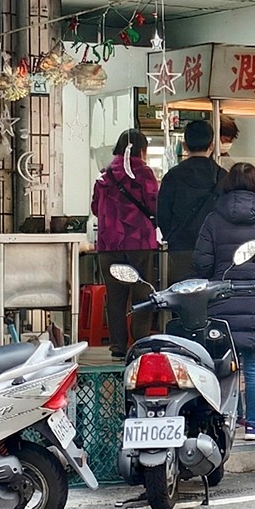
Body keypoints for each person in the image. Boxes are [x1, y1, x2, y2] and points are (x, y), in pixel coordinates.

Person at [193, 163, 255, 441]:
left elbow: (201, 263)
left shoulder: (213, 220)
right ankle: (253, 426)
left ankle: (229, 421)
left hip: (222, 299)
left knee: (225, 364)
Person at [91, 129, 159, 360]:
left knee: (116, 296)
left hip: (109, 244)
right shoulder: (144, 173)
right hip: (139, 242)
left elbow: (94, 208)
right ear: (142, 149)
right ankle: (140, 341)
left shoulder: (104, 176)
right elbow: (153, 204)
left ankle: (118, 346)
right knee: (141, 292)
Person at [157, 120, 227, 285]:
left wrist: (173, 237)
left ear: (184, 145)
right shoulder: (223, 177)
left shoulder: (172, 176)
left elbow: (162, 215)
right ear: (212, 145)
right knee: (211, 300)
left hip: (180, 249)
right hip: (214, 250)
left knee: (182, 300)